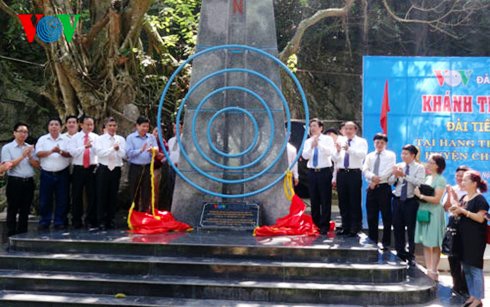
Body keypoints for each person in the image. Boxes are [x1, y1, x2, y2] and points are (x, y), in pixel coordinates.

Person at [449, 170, 488, 307]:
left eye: (465, 180)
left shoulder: (480, 199)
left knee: (475, 268)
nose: (462, 182)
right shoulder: (464, 197)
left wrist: (463, 211)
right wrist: (455, 207)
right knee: (466, 268)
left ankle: (478, 298)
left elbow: (479, 218)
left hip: (475, 239)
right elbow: (459, 214)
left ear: (474, 183)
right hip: (462, 238)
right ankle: (473, 295)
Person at [388, 144, 425, 265]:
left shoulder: (419, 168)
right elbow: (390, 182)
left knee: (411, 228)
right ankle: (400, 252)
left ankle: (411, 254)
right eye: (402, 153)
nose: (403, 156)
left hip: (411, 201)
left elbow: (419, 183)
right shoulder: (399, 166)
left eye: (406, 154)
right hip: (398, 200)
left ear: (413, 155)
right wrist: (394, 175)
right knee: (398, 227)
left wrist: (405, 176)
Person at [1, 123, 39, 236]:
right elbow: (7, 165)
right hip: (15, 181)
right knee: (12, 208)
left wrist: (30, 156)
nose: (23, 134)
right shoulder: (7, 148)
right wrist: (22, 156)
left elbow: (37, 165)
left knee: (25, 208)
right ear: (14, 133)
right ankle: (11, 232)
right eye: (20, 131)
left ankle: (23, 232)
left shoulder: (29, 147)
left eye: (25, 132)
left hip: (28, 181)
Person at [413, 154, 447, 281]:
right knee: (426, 242)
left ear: (437, 165)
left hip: (434, 212)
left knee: (435, 242)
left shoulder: (440, 180)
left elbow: (437, 199)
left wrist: (420, 196)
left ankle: (434, 270)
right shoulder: (426, 178)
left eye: (431, 162)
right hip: (423, 210)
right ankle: (428, 268)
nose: (428, 164)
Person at [332, 121, 367, 237]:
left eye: (350, 129)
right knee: (343, 201)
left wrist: (349, 149)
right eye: (346, 128)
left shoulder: (361, 141)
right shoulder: (340, 140)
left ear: (355, 130)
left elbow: (362, 155)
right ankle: (345, 226)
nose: (348, 131)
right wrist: (337, 151)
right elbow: (334, 158)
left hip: (354, 173)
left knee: (354, 200)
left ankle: (355, 227)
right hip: (342, 173)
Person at [35, 118, 72, 230]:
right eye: (51, 124)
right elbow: (39, 153)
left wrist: (60, 151)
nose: (54, 126)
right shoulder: (43, 139)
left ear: (61, 127)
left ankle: (59, 221)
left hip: (62, 173)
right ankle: (44, 221)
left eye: (56, 124)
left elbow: (70, 153)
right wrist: (52, 151)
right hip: (47, 173)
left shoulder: (66, 139)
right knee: (45, 199)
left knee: (62, 198)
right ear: (48, 127)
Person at [362, 133, 396, 249]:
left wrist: (376, 181)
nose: (379, 144)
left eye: (382, 142)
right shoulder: (370, 156)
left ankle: (386, 242)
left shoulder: (390, 155)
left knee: (386, 216)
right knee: (371, 215)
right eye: (377, 142)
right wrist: (372, 177)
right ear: (374, 143)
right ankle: (373, 240)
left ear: (385, 143)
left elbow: (389, 171)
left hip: (383, 187)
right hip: (371, 188)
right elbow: (365, 169)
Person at [301, 118, 335, 234]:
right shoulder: (307, 141)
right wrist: (311, 146)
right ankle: (315, 223)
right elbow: (305, 156)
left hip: (324, 171)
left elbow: (330, 152)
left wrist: (318, 145)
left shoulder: (327, 139)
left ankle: (324, 225)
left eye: (315, 126)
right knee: (314, 198)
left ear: (321, 128)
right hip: (311, 172)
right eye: (311, 126)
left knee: (325, 199)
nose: (312, 128)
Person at [94, 117, 126, 230]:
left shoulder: (120, 139)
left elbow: (123, 154)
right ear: (105, 127)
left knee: (113, 195)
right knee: (102, 194)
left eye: (114, 126)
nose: (112, 128)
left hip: (116, 169)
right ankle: (100, 220)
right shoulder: (100, 139)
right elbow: (99, 153)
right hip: (104, 168)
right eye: (110, 126)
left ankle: (110, 220)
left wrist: (117, 150)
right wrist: (112, 149)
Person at [67, 116, 99, 229]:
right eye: (87, 124)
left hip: (92, 168)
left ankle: (90, 219)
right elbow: (72, 153)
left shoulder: (96, 137)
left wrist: (93, 146)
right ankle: (76, 220)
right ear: (81, 125)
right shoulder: (75, 138)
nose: (90, 127)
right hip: (79, 168)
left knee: (92, 195)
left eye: (91, 124)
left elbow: (99, 153)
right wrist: (84, 147)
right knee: (76, 195)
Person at [443, 165, 470, 295]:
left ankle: (465, 286)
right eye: (457, 176)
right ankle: (456, 284)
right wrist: (449, 195)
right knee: (452, 256)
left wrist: (455, 197)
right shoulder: (452, 189)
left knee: (465, 256)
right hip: (453, 224)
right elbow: (445, 207)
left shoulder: (472, 192)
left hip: (466, 225)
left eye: (462, 176)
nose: (459, 178)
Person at [126, 116, 159, 212]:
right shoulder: (130, 138)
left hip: (147, 167)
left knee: (146, 191)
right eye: (143, 126)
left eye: (147, 127)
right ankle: (134, 215)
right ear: (137, 126)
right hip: (135, 167)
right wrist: (140, 150)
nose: (145, 129)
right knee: (134, 192)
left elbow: (157, 149)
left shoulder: (151, 137)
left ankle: (145, 215)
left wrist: (153, 150)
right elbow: (128, 153)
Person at [62, 115, 79, 227]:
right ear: (66, 124)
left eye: (74, 122)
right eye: (69, 122)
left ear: (78, 124)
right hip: (64, 168)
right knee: (64, 194)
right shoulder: (62, 137)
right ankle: (64, 218)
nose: (71, 124)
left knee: (78, 195)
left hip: (79, 169)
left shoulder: (82, 137)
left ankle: (78, 218)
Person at [151, 126, 166, 207]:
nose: (157, 134)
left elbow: (164, 157)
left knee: (155, 189)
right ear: (152, 131)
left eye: (159, 132)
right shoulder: (147, 139)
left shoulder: (163, 143)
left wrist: (157, 154)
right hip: (145, 168)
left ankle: (154, 209)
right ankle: (142, 210)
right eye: (156, 131)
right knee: (144, 190)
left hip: (156, 169)